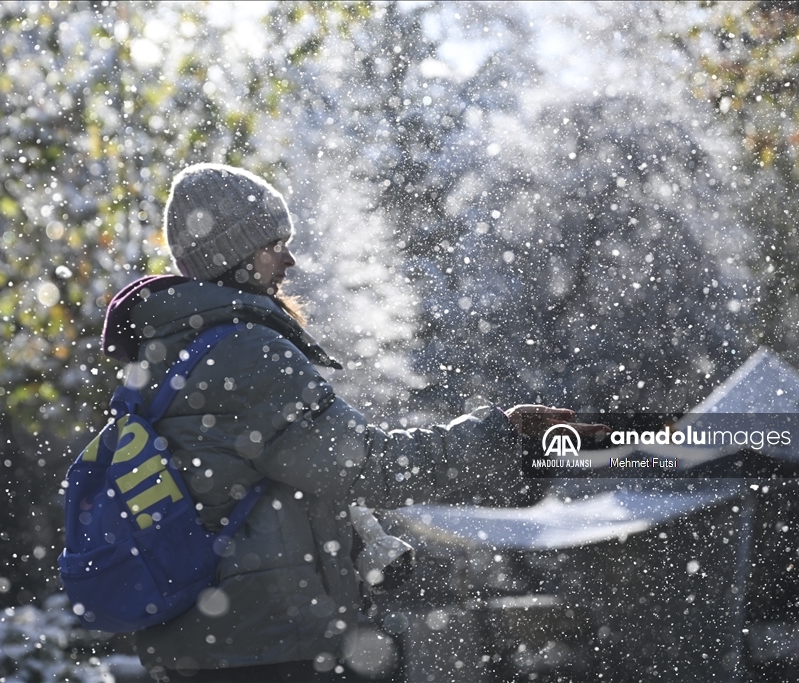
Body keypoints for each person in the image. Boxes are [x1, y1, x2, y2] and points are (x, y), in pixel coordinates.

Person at [100, 163, 596, 682]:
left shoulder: (167, 356)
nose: (289, 257)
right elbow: (364, 464)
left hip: (211, 638)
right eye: (274, 242)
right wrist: (498, 436)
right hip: (269, 646)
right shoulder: (242, 353)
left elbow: (277, 479)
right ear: (236, 254)